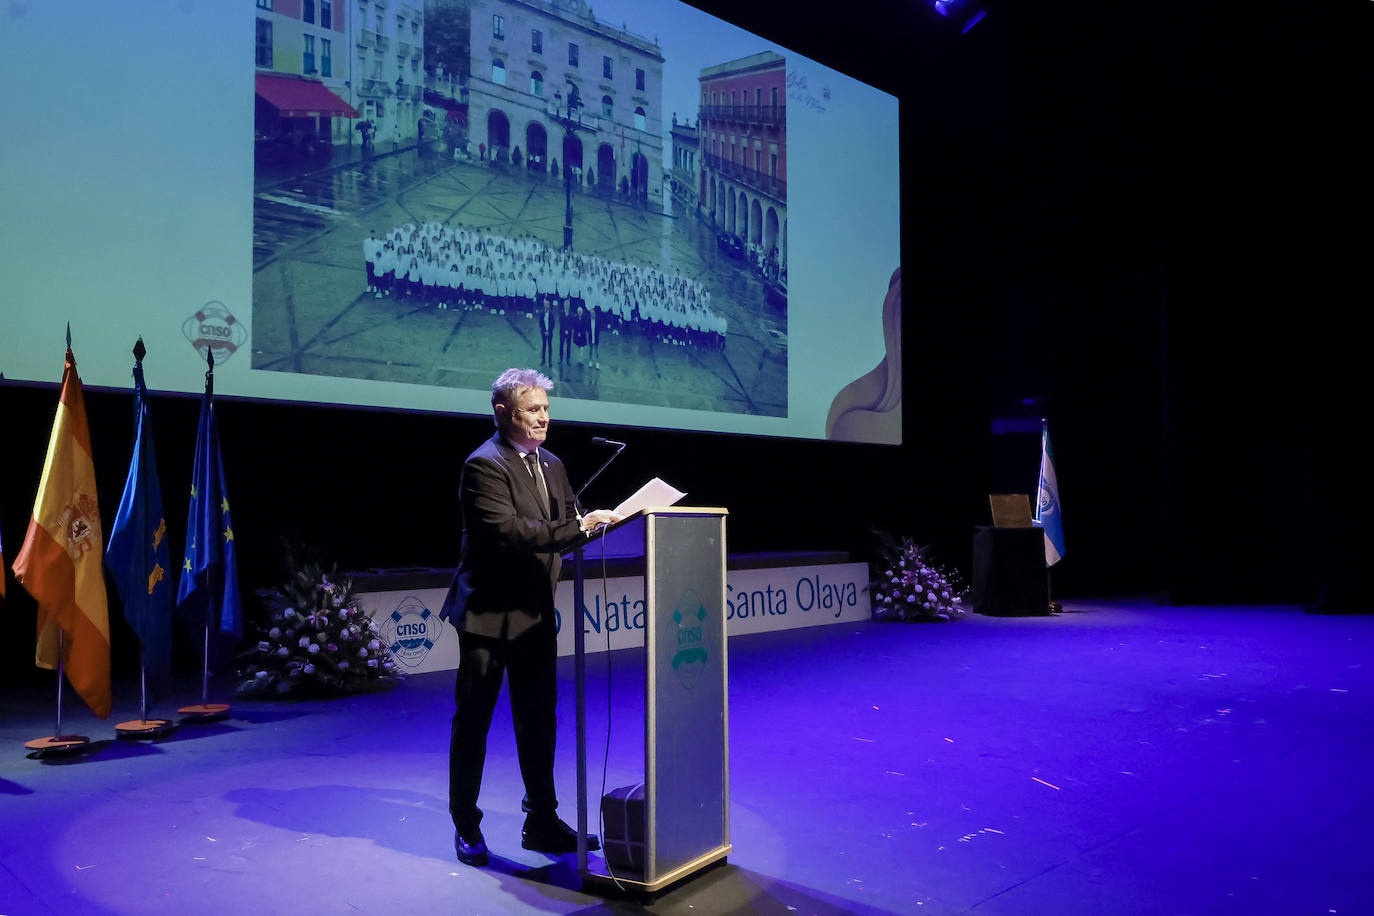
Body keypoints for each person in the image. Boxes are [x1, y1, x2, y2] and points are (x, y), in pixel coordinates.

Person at [440, 368, 622, 867]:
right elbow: (510, 532)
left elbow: (565, 527)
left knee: (539, 721)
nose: (544, 418)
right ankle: (466, 827)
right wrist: (575, 527)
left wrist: (604, 522)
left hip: (535, 612)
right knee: (474, 722)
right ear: (503, 413)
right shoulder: (483, 465)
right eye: (532, 409)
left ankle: (541, 820)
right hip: (488, 615)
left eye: (545, 408)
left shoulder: (555, 464)